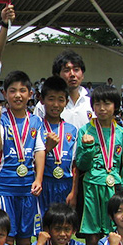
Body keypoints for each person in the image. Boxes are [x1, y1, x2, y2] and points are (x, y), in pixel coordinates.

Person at [0, 70, 45, 245]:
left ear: (30, 94)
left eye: (23, 90)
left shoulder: (36, 121)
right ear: (5, 94)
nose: (18, 95)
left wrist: (38, 179)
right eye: (12, 91)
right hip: (5, 188)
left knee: (25, 236)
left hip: (28, 188)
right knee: (7, 234)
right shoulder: (1, 120)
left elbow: (39, 151)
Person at [75, 86, 123, 245]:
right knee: (92, 233)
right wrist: (88, 148)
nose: (102, 108)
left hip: (114, 189)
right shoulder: (85, 131)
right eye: (98, 104)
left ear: (115, 106)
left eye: (107, 104)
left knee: (114, 231)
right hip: (91, 188)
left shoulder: (122, 134)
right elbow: (81, 165)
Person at [37, 76, 78, 215]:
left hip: (65, 184)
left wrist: (73, 191)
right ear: (42, 100)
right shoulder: (36, 127)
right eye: (51, 99)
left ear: (66, 102)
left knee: (63, 227)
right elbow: (30, 161)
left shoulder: (72, 130)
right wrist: (47, 149)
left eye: (60, 100)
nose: (55, 104)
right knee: (43, 227)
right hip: (44, 184)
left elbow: (75, 165)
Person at [34, 50, 93, 130]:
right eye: (66, 70)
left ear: (82, 75)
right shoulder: (44, 105)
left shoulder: (92, 104)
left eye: (76, 69)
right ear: (57, 75)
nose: (72, 74)